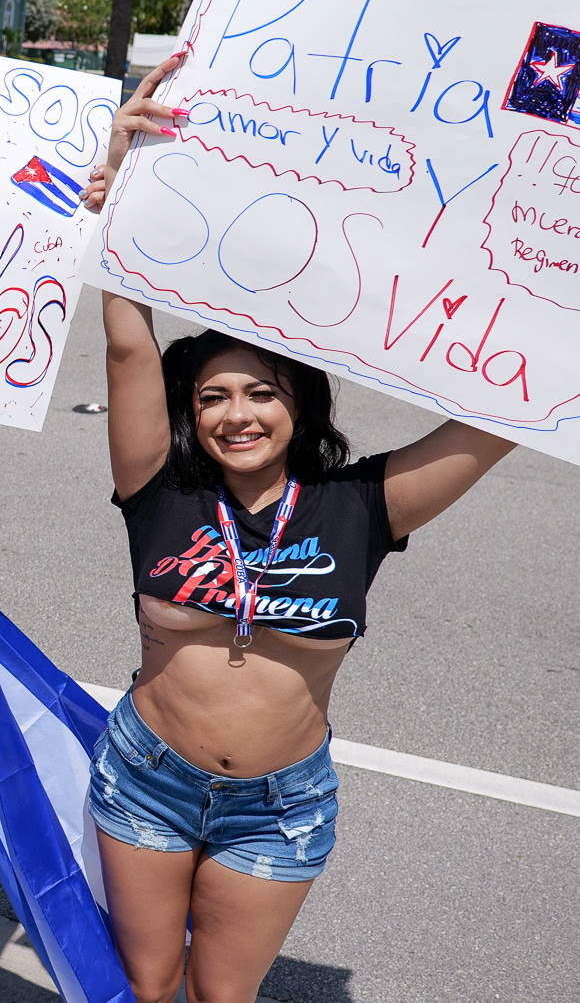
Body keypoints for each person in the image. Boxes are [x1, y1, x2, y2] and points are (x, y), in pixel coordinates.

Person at [79, 56, 517, 1003]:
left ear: (300, 407)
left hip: (280, 805)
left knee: (222, 997)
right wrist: (122, 188)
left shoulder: (360, 505)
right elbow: (125, 348)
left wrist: (549, 288)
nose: (236, 414)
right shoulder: (159, 489)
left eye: (261, 394)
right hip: (147, 777)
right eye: (212, 397)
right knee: (143, 989)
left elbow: (494, 422)